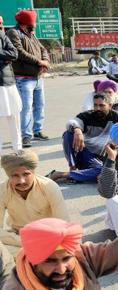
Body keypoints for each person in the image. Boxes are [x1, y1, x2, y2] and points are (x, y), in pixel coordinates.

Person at [49, 93, 118, 183]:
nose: (98, 108)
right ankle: (72, 168)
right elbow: (71, 122)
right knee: (68, 134)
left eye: (101, 105)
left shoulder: (117, 117)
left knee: (105, 172)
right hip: (84, 152)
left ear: (110, 106)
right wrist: (77, 130)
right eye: (95, 105)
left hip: (100, 159)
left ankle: (62, 175)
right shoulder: (87, 115)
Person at [0, 150, 69, 247]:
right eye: (15, 175)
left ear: (33, 172)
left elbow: (63, 224)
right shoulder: (2, 190)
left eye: (26, 174)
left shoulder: (49, 187)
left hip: (49, 236)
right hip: (19, 238)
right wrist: (25, 242)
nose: (22, 181)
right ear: (8, 176)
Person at [6, 10, 50, 148]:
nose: (34, 24)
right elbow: (19, 52)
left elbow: (43, 49)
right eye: (32, 22)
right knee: (25, 108)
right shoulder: (14, 33)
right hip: (23, 78)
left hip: (37, 77)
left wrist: (45, 61)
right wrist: (39, 62)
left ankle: (37, 130)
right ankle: (26, 135)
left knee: (39, 105)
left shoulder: (31, 33)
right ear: (26, 22)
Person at [0, 16, 22, 152]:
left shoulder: (3, 36)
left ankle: (18, 149)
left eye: (1, 22)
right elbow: (9, 55)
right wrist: (5, 57)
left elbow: (14, 54)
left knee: (14, 116)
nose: (1, 25)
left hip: (9, 82)